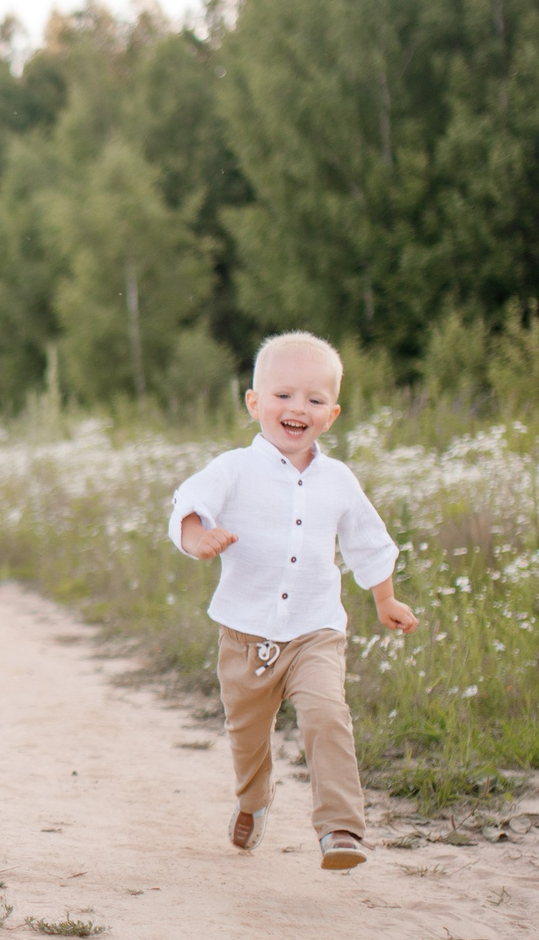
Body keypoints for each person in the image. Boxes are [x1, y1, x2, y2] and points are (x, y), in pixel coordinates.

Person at [167, 331, 416, 869]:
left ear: (332, 414)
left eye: (314, 399)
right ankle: (253, 802)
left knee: (328, 715)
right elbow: (188, 505)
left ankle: (341, 828)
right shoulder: (233, 468)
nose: (297, 408)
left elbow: (367, 541)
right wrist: (196, 538)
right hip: (244, 632)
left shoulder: (339, 481)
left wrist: (384, 598)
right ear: (255, 403)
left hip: (315, 630)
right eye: (282, 395)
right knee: (247, 735)